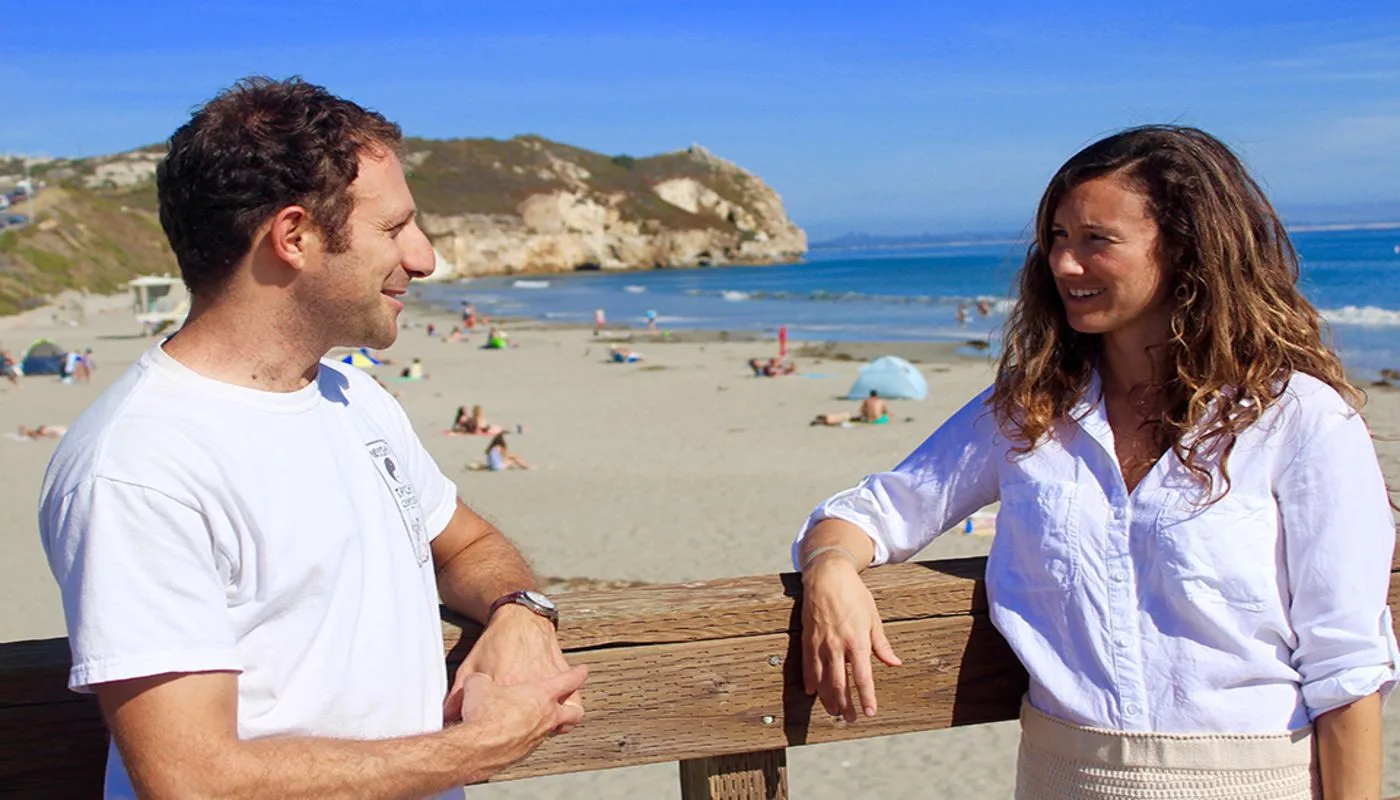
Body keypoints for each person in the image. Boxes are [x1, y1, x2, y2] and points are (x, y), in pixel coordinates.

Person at [793, 126, 1396, 799]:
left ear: (1187, 248)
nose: (1064, 264)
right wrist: (830, 568)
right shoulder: (1027, 412)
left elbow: (1346, 666)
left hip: (1256, 780)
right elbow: (877, 510)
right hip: (1062, 779)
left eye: (1095, 240)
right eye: (1056, 237)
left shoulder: (1297, 419)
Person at [38, 77, 585, 800]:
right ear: (293, 236)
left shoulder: (353, 397)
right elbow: (192, 780)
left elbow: (466, 546)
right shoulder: (140, 463)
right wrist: (480, 746)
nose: (424, 258)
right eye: (394, 228)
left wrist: (520, 611)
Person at [810, 390, 888, 427]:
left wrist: (866, 413)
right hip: (876, 420)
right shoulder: (881, 401)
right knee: (885, 417)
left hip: (867, 419)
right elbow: (885, 412)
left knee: (847, 416)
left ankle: (825, 418)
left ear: (870, 395)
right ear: (877, 395)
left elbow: (861, 411)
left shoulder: (866, 401)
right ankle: (826, 420)